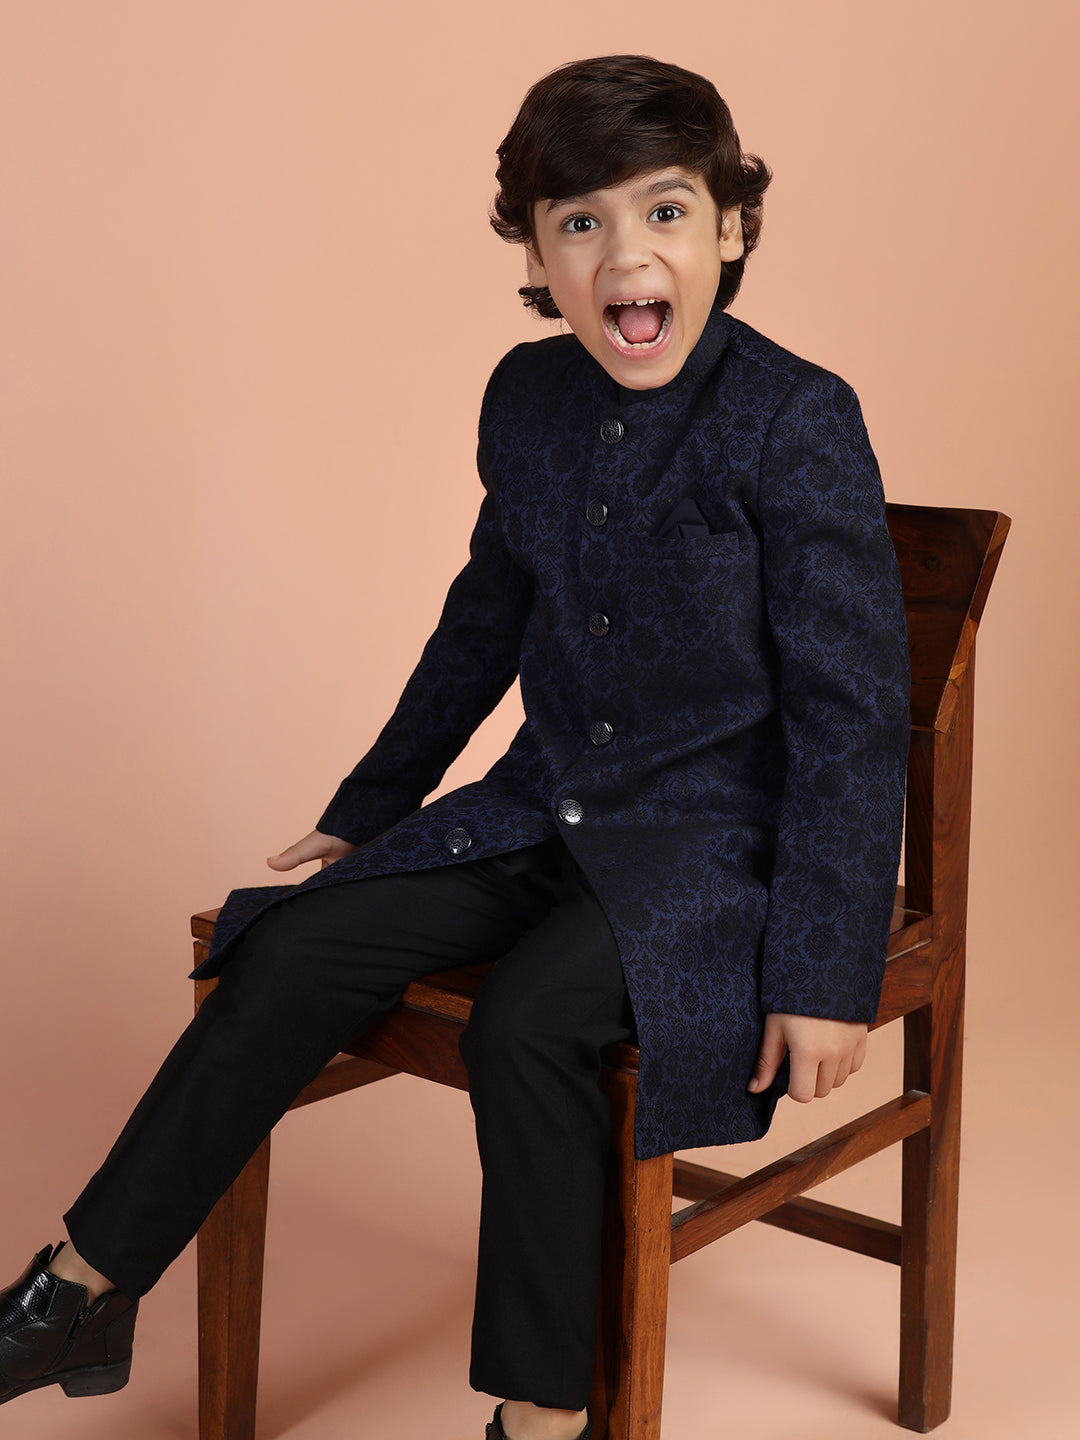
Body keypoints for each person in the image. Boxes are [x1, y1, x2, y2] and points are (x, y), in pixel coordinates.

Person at [0, 54, 910, 1440]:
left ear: (731, 227)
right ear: (538, 258)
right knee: (290, 946)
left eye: (665, 212)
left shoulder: (798, 417)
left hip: (717, 850)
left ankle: (542, 1417)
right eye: (581, 223)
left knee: (528, 1022)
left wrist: (823, 971)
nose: (625, 257)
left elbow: (852, 715)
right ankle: (79, 1291)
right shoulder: (528, 398)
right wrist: (373, 806)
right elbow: (483, 619)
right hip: (546, 810)